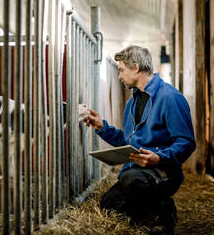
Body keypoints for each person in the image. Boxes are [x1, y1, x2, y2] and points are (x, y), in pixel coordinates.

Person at [84, 45, 196, 235]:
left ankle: (166, 212)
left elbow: (186, 141)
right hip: (137, 171)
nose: (119, 76)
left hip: (163, 171)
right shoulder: (133, 101)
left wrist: (159, 157)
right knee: (108, 205)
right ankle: (149, 214)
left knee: (132, 180)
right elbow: (128, 141)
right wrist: (102, 128)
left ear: (135, 68)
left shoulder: (170, 97)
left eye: (121, 70)